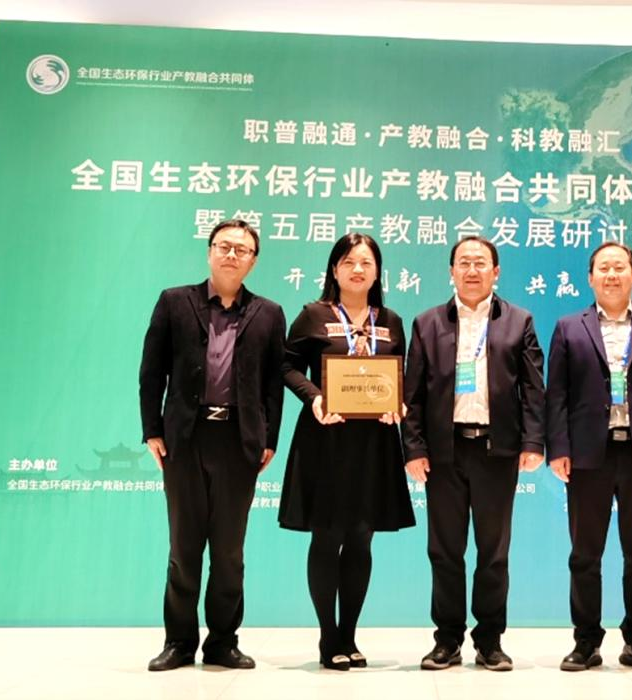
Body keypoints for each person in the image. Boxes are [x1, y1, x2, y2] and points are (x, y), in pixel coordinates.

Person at [139, 219, 285, 672]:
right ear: (209, 252)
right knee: (184, 549)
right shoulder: (174, 301)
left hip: (239, 442)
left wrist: (269, 439)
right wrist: (152, 429)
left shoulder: (268, 313)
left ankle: (223, 642)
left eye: (242, 249)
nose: (231, 255)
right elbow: (151, 371)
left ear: (253, 261)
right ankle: (179, 642)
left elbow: (273, 384)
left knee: (228, 551)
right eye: (224, 246)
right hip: (185, 439)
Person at [403, 235, 545, 672]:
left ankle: (490, 640)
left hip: (496, 451)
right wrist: (414, 448)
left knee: (493, 552)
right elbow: (413, 394)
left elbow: (533, 389)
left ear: (495, 271)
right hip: (443, 452)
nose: (471, 270)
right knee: (444, 550)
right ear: (451, 271)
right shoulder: (427, 323)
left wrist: (533, 442)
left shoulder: (518, 321)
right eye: (463, 262)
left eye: (480, 262)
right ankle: (447, 640)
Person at [279, 233, 415, 671]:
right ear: (334, 269)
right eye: (349, 262)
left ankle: (350, 635)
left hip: (374, 444)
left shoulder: (391, 320)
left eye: (366, 263)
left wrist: (399, 403)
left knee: (361, 537)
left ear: (377, 272)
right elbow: (285, 365)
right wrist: (314, 396)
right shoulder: (313, 315)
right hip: (326, 440)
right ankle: (328, 637)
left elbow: (403, 375)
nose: (358, 269)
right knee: (328, 535)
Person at [546, 242, 632, 673]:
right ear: (590, 278)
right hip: (588, 456)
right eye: (603, 268)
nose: (611, 275)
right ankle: (585, 642)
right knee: (585, 555)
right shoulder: (569, 328)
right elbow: (556, 395)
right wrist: (558, 449)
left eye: (619, 267)